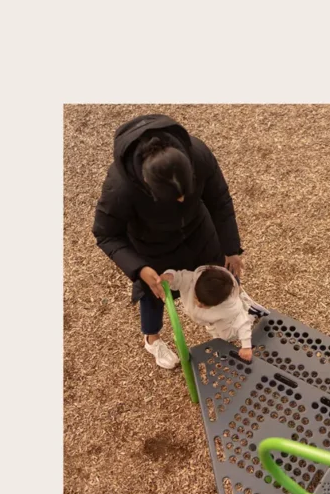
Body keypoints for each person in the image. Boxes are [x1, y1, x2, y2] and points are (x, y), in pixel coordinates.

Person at [92, 114, 246, 369]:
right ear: (147, 186)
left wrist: (231, 248)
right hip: (152, 247)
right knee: (153, 296)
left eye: (186, 192)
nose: (182, 201)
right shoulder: (120, 189)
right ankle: (152, 340)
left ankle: (225, 319)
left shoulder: (198, 153)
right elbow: (105, 233)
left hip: (199, 231)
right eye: (173, 197)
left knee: (221, 276)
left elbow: (219, 200)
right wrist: (139, 268)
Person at [160, 265, 269, 362]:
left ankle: (250, 314)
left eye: (204, 305)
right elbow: (179, 277)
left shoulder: (230, 307)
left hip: (223, 320)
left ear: (218, 303)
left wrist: (246, 347)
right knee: (213, 331)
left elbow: (243, 324)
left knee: (228, 335)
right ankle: (221, 344)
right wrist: (170, 277)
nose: (198, 304)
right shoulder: (192, 280)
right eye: (196, 298)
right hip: (209, 320)